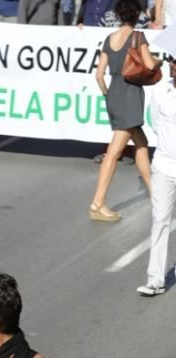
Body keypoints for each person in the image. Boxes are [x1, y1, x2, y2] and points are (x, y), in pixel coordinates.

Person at [89, 0, 162, 222]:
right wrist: (158, 61)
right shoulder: (138, 37)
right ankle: (97, 203)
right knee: (114, 152)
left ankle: (156, 194)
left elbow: (99, 75)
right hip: (130, 96)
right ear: (136, 14)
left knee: (141, 144)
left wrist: (107, 94)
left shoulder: (109, 39)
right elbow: (149, 65)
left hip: (114, 95)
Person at [137, 56, 176, 296]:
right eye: (172, 60)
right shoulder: (161, 91)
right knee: (160, 220)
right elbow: (154, 124)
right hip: (164, 166)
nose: (172, 65)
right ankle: (155, 280)